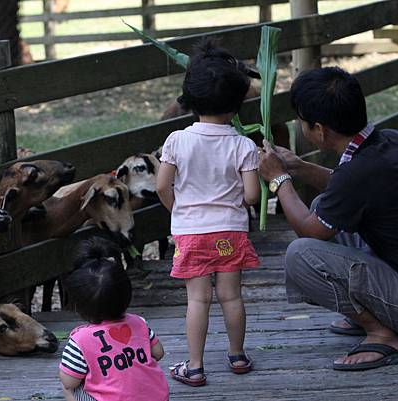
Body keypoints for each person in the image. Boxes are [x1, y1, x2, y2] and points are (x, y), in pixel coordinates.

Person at [258, 66, 398, 371]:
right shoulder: (390, 141)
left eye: (301, 123)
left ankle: (383, 332)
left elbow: (308, 230)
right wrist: (298, 167)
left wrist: (279, 180)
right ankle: (375, 311)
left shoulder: (358, 173)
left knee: (299, 255)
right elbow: (349, 190)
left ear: (320, 130)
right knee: (322, 204)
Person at [156, 38, 261, 386]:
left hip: (190, 232)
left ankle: (196, 366)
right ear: (235, 104)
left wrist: (179, 211)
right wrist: (236, 205)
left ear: (190, 99)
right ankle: (238, 355)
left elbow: (161, 187)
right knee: (231, 295)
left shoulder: (176, 141)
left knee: (197, 299)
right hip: (230, 232)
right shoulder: (244, 145)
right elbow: (251, 195)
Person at [58, 237, 169, 401]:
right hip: (157, 397)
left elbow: (69, 381)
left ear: (78, 306)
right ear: (126, 296)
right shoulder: (139, 323)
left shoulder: (80, 340)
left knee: (68, 389)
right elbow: (158, 353)